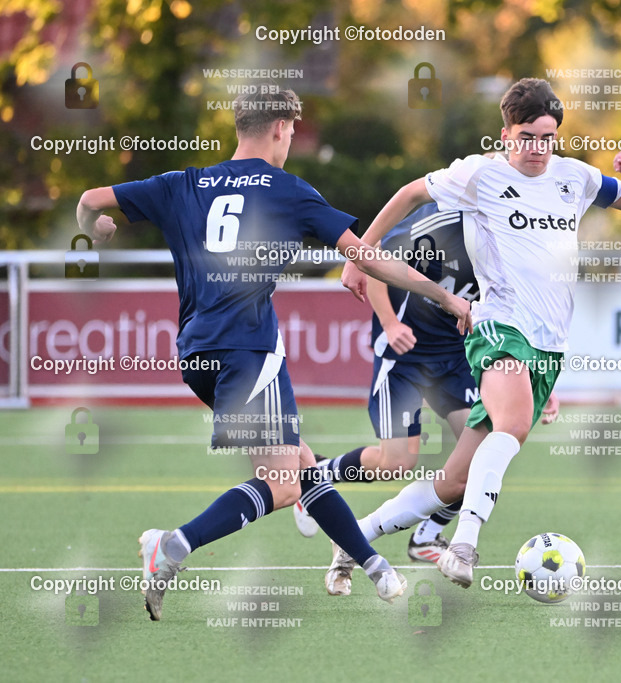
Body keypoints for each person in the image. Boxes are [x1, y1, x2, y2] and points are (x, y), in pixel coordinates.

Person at [74, 87, 472, 619]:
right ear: (282, 127)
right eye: (292, 131)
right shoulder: (287, 190)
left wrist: (94, 229)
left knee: (304, 465)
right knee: (282, 483)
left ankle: (374, 566)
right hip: (248, 349)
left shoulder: (181, 183)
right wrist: (444, 295)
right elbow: (370, 260)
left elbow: (90, 202)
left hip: (197, 355)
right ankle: (172, 546)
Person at [339, 77, 621, 587]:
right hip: (498, 325)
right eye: (527, 135)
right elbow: (409, 193)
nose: (537, 148)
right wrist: (359, 254)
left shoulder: (575, 177)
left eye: (547, 136)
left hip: (550, 344)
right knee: (515, 424)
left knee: (455, 479)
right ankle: (464, 544)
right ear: (505, 134)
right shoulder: (479, 175)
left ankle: (354, 536)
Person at [297, 201, 559, 595]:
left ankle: (427, 537)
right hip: (405, 353)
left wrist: (542, 384)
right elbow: (377, 260)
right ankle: (317, 474)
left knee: (476, 457)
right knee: (397, 462)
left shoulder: (517, 243)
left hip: (456, 358)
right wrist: (389, 323)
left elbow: (527, 320)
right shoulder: (443, 224)